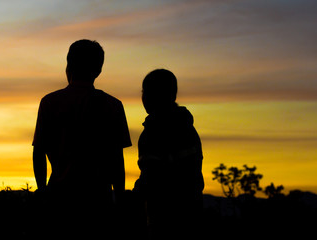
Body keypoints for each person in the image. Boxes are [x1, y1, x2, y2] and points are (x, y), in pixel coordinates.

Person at [32, 39, 131, 237]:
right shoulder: (113, 105)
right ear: (99, 70)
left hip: (59, 197)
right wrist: (119, 197)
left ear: (68, 65)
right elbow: (117, 160)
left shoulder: (50, 102)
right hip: (98, 199)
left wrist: (42, 189)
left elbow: (38, 151)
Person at [133, 69, 204, 239]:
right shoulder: (188, 128)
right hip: (191, 213)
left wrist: (131, 200)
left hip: (163, 219)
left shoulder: (153, 132)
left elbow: (151, 177)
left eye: (145, 92)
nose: (143, 97)